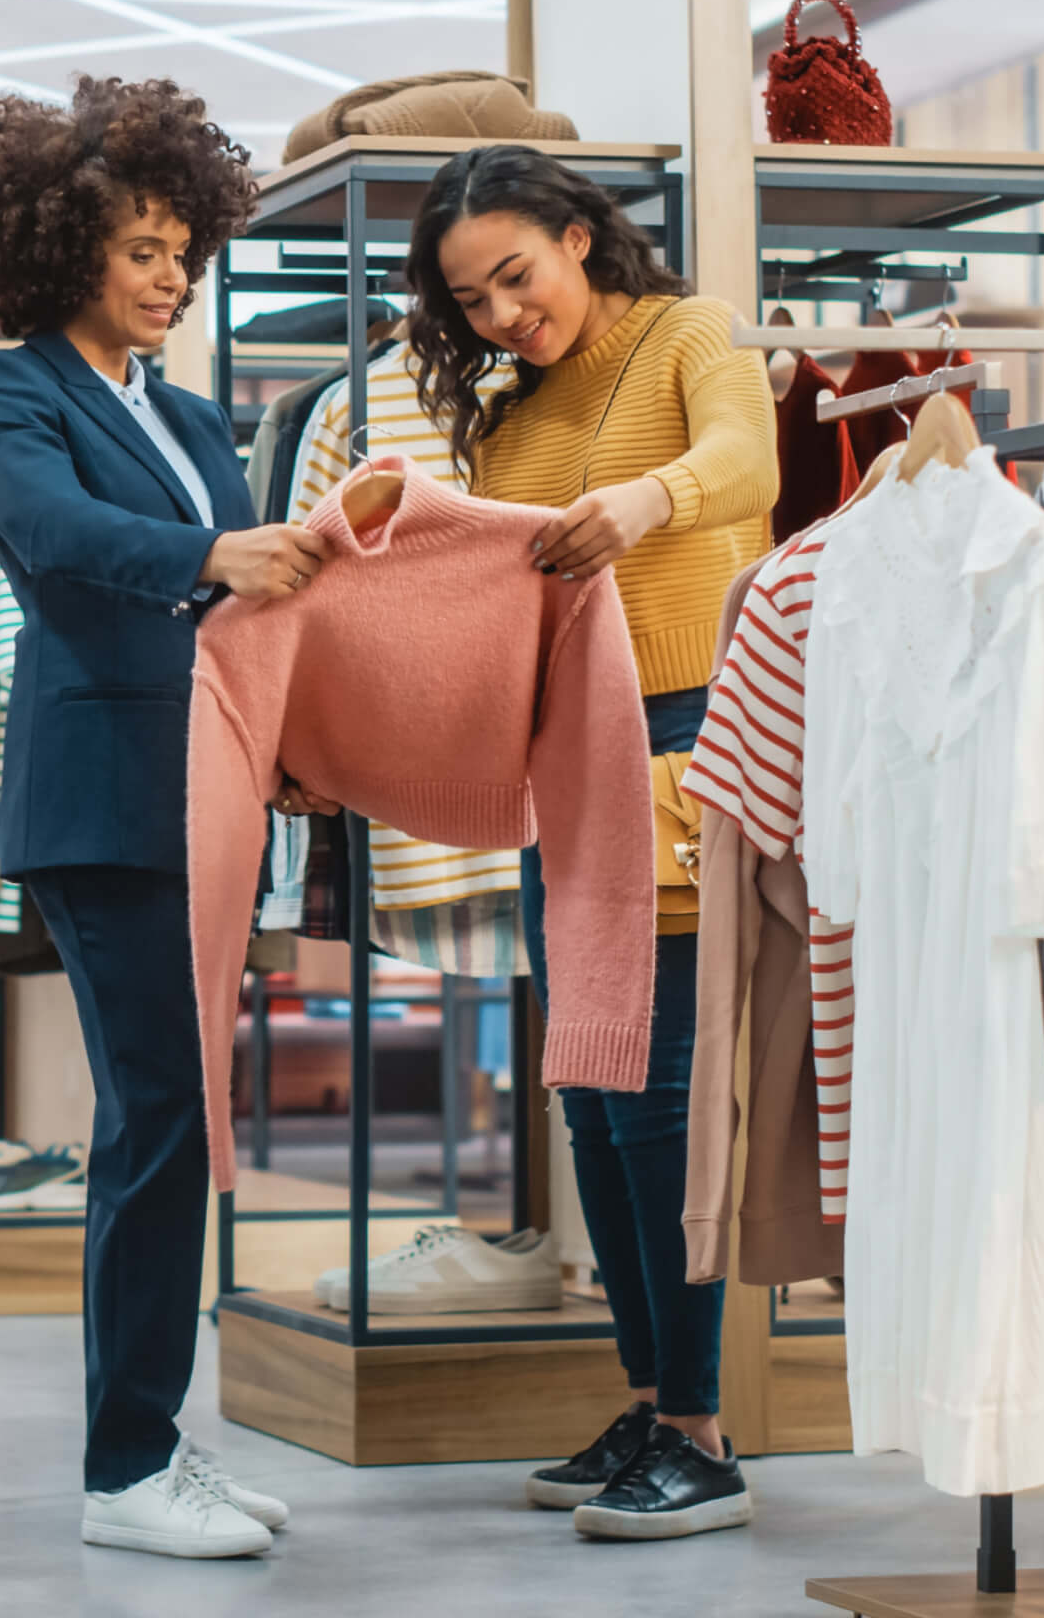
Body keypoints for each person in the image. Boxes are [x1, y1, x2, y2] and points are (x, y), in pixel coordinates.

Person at [0, 75, 330, 1561]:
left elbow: (243, 616)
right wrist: (216, 549)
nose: (170, 278)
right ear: (62, 250)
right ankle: (123, 1471)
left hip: (210, 794)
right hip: (104, 804)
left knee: (185, 1119)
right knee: (160, 1117)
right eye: (141, 250)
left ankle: (161, 1439)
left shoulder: (176, 409)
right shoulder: (10, 390)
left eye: (182, 249)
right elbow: (56, 534)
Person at [393, 143, 779, 1539]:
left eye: (517, 274)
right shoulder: (512, 409)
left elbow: (748, 464)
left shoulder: (689, 335)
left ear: (577, 236)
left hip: (681, 739)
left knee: (662, 1090)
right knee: (592, 1091)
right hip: (568, 753)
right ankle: (648, 1391)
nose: (502, 313)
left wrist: (643, 502)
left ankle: (700, 1430)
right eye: (472, 298)